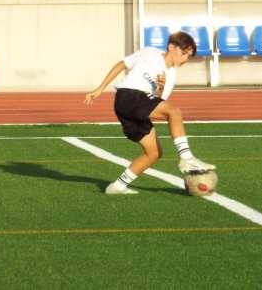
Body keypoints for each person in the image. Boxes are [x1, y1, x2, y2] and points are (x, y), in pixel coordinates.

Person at [84, 31, 216, 194]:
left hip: (136, 107)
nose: (184, 59)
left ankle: (117, 186)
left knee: (154, 153)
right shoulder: (149, 52)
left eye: (188, 56)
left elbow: (157, 101)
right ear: (171, 47)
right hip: (128, 96)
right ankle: (187, 157)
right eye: (183, 53)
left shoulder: (171, 74)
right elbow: (121, 64)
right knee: (174, 111)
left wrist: (161, 86)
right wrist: (100, 88)